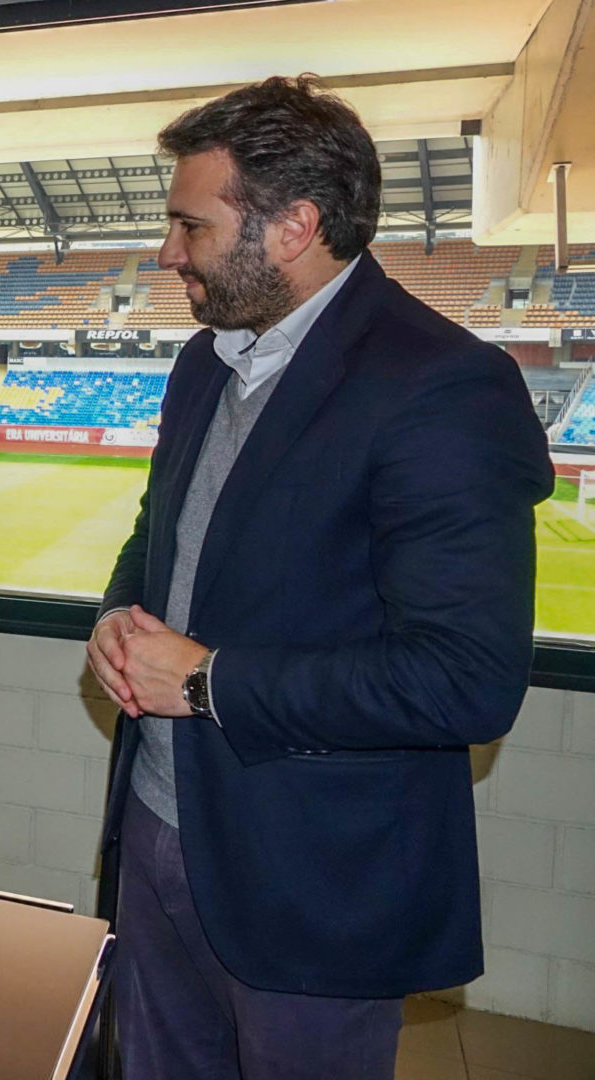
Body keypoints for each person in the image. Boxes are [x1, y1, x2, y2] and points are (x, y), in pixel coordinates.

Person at [84, 77, 553, 1079]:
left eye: (190, 224)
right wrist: (121, 616)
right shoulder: (205, 361)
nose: (168, 252)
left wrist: (207, 682)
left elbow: (467, 678)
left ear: (294, 226)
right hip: (159, 836)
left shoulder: (442, 385)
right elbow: (161, 530)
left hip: (312, 883)